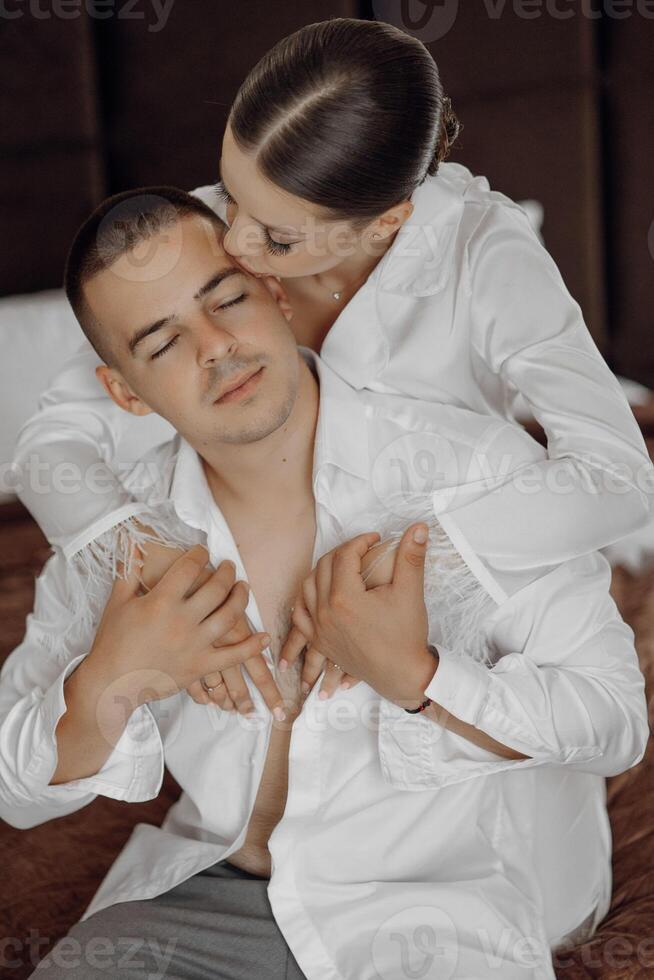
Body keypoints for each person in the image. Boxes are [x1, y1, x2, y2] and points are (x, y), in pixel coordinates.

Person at [1, 187, 648, 980]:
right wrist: (113, 675)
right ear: (125, 393)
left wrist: (418, 677)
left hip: (435, 914)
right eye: (162, 342)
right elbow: (16, 791)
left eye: (226, 299)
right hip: (199, 902)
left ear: (275, 292)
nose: (214, 348)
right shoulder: (121, 545)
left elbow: (618, 719)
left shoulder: (472, 470)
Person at [11, 18, 654, 709]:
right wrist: (147, 558)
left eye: (279, 240)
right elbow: (53, 443)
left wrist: (417, 562)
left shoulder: (482, 255)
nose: (236, 241)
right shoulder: (212, 228)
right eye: (229, 192)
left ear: (385, 224)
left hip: (475, 578)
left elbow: (619, 478)